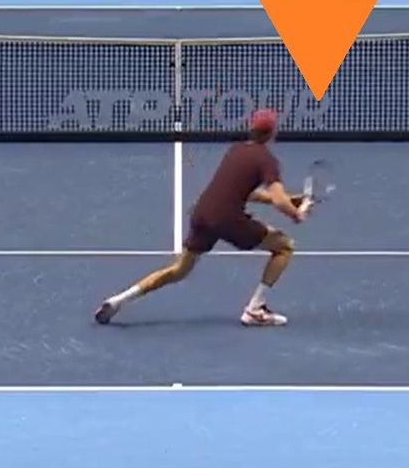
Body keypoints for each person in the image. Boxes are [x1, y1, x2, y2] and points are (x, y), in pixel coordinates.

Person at [93, 108, 309, 327]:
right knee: (284, 247)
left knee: (179, 270)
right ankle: (255, 309)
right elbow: (278, 200)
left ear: (251, 128)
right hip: (228, 219)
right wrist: (296, 214)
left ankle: (119, 300)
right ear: (273, 132)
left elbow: (250, 193)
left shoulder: (236, 150)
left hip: (202, 213)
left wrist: (290, 200)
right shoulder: (267, 160)